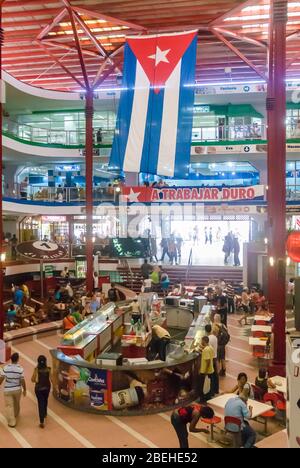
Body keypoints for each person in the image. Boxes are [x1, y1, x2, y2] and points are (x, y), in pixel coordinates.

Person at [0, 353, 26, 428]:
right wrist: (24, 389)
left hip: (7, 390)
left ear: (11, 359)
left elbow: (2, 377)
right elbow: (22, 380)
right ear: (18, 359)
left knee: (9, 406)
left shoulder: (5, 368)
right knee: (16, 403)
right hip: (17, 389)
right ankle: (16, 414)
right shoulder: (20, 369)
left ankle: (12, 422)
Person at [31, 355, 52, 428]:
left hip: (38, 389)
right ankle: (45, 412)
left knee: (40, 403)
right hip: (47, 388)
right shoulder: (49, 369)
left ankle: (41, 421)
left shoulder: (36, 369)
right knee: (45, 400)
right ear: (45, 361)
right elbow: (52, 379)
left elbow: (32, 379)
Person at [197, 336, 214, 403]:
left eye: (202, 341)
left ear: (204, 341)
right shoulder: (210, 347)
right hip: (210, 370)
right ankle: (208, 397)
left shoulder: (206, 350)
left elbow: (207, 361)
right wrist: (202, 348)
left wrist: (205, 372)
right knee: (208, 385)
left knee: (203, 386)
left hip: (205, 371)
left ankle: (202, 399)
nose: (201, 342)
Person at [205, 324, 219, 396]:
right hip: (215, 357)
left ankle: (211, 391)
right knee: (215, 375)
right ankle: (216, 390)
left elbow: (206, 347)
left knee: (211, 376)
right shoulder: (215, 338)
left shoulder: (208, 338)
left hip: (210, 358)